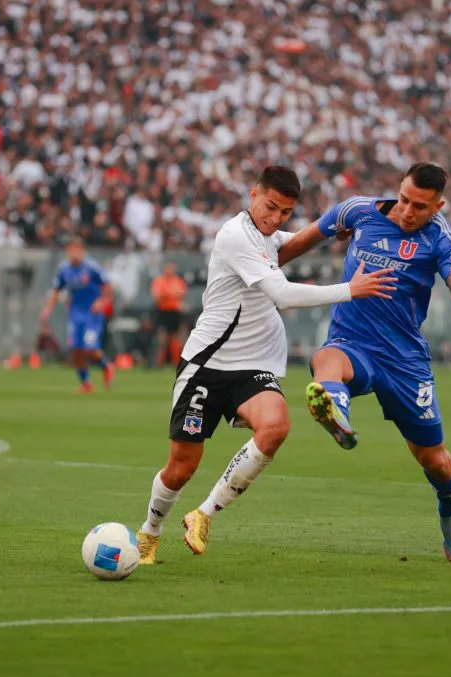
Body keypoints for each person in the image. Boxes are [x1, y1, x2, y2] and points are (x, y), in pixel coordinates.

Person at [134, 166, 396, 564]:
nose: (275, 218)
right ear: (253, 194)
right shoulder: (235, 235)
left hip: (252, 366)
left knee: (276, 427)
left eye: (285, 212)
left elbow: (294, 243)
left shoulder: (267, 236)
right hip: (207, 364)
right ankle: (150, 531)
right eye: (270, 207)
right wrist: (350, 290)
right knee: (181, 468)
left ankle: (203, 514)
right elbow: (283, 294)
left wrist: (334, 228)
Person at [276, 163, 451, 562]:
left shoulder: (439, 237)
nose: (408, 211)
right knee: (324, 359)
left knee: (434, 461)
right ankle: (335, 409)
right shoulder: (357, 211)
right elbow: (295, 245)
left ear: (437, 206)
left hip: (405, 361)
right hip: (353, 342)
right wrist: (255, 270)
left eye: (420, 206)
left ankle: (450, 512)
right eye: (405, 199)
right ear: (398, 190)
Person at [39, 238, 115, 393]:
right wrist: (47, 310)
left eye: (77, 249)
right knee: (76, 349)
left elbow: (108, 287)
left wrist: (101, 301)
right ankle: (86, 383)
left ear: (82, 251)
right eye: (71, 249)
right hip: (75, 313)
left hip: (92, 314)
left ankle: (106, 366)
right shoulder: (64, 270)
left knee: (89, 348)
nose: (74, 253)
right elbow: (56, 290)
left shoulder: (92, 268)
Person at [150, 263, 188, 367]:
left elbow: (181, 294)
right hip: (162, 312)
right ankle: (159, 363)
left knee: (175, 338)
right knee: (161, 338)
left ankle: (175, 362)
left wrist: (167, 295)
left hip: (174, 313)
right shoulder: (159, 281)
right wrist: (171, 295)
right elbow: (157, 296)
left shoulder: (178, 281)